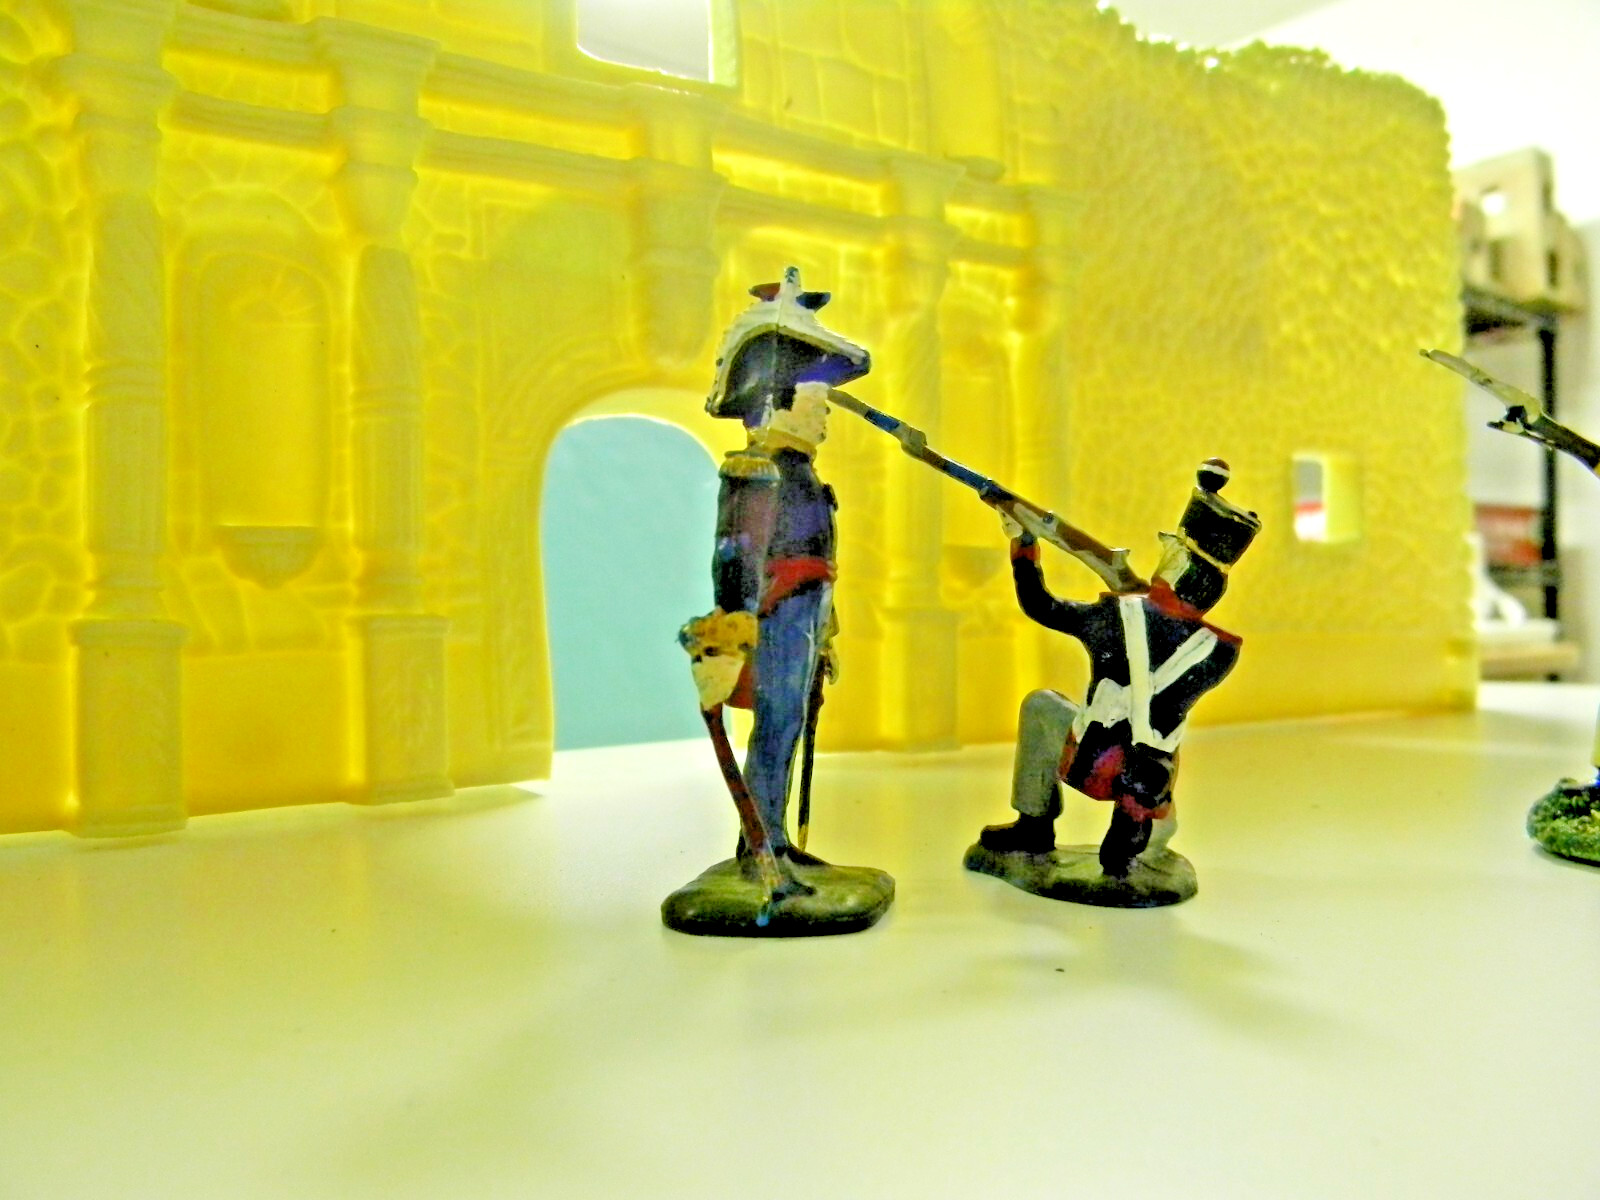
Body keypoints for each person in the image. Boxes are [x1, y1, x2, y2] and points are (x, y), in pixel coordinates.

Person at [975, 459, 1260, 884]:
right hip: (1152, 794)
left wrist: (1023, 542)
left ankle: (1034, 827)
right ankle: (1142, 843)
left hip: (1096, 762)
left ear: (1178, 566)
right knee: (1154, 779)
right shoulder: (1220, 652)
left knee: (1041, 706)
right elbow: (1166, 629)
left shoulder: (1116, 616)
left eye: (1172, 553)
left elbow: (1039, 605)